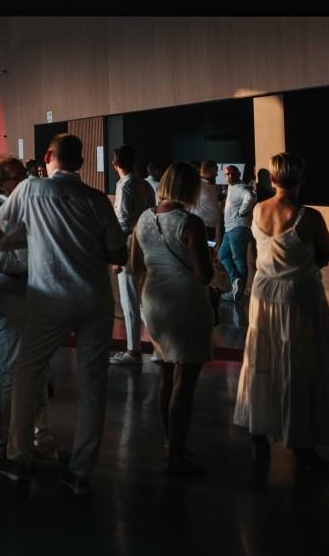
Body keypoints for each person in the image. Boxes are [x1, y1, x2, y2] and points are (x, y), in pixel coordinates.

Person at [0, 133, 126, 495]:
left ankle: (18, 458)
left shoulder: (30, 190)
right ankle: (81, 471)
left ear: (47, 156)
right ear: (80, 164)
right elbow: (118, 255)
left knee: (25, 374)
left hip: (49, 299)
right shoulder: (97, 200)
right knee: (93, 384)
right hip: (95, 301)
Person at [233, 153, 329, 472]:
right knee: (299, 364)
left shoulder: (258, 209)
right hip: (298, 295)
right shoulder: (307, 216)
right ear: (300, 178)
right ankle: (301, 441)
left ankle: (259, 435)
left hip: (264, 292)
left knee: (263, 361)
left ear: (273, 179)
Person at [128, 162, 214, 475]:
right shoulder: (190, 223)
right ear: (190, 188)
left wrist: (142, 299)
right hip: (185, 301)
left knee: (165, 375)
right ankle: (176, 452)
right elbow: (203, 275)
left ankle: (170, 443)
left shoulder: (144, 218)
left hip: (154, 299)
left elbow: (136, 265)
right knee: (185, 382)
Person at [0, 157, 58, 460]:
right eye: (19, 175)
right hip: (8, 299)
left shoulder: (23, 207)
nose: (27, 178)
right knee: (12, 369)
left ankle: (40, 434)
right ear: (1, 183)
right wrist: (35, 257)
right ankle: (8, 438)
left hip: (32, 296)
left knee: (39, 367)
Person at [110, 146, 158, 366]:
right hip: (147, 244)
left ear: (115, 164)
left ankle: (133, 349)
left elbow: (123, 222)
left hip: (129, 246)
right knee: (144, 299)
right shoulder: (146, 185)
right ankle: (160, 343)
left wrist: (115, 254)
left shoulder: (124, 185)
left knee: (129, 299)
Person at [219, 163, 256, 302]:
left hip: (238, 228)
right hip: (230, 229)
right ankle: (236, 281)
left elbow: (250, 197)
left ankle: (237, 293)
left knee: (238, 259)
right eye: (227, 174)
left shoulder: (241, 187)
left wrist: (242, 212)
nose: (229, 176)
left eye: (231, 173)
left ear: (238, 174)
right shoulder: (232, 188)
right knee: (222, 255)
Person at [189, 161, 222, 245]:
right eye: (216, 171)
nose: (217, 174)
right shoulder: (196, 184)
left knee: (210, 253)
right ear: (209, 170)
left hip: (212, 227)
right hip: (202, 226)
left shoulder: (211, 184)